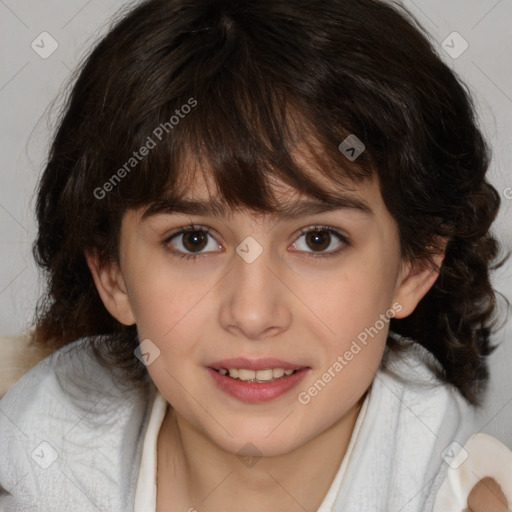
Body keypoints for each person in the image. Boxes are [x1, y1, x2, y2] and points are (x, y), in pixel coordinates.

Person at [0, 0, 511, 510]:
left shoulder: (461, 494)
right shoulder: (37, 458)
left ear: (414, 266)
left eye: (318, 240)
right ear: (111, 273)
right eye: (194, 240)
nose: (253, 314)